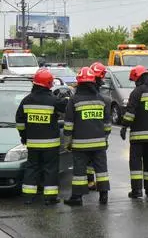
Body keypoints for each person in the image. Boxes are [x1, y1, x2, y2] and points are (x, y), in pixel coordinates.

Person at [15, 68, 68, 205]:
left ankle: (28, 197)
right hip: (51, 144)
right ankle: (50, 198)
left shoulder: (26, 101)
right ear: (49, 84)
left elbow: (19, 121)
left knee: (32, 168)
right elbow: (65, 108)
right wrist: (67, 98)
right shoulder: (53, 101)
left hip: (32, 143)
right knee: (50, 169)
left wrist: (24, 136)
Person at [63, 67, 111, 206]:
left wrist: (67, 143)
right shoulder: (101, 100)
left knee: (79, 171)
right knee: (101, 170)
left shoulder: (74, 100)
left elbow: (68, 125)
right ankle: (103, 197)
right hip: (99, 145)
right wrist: (105, 139)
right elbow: (107, 124)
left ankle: (77, 198)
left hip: (80, 145)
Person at [121, 65, 148, 199]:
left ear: (138, 78)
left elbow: (130, 113)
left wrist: (124, 127)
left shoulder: (137, 92)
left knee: (135, 163)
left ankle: (137, 191)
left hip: (137, 136)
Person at [86, 62, 109, 191]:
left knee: (89, 160)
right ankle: (92, 182)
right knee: (94, 161)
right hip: (96, 134)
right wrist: (105, 136)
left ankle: (90, 181)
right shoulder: (97, 94)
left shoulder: (91, 88)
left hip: (87, 133)